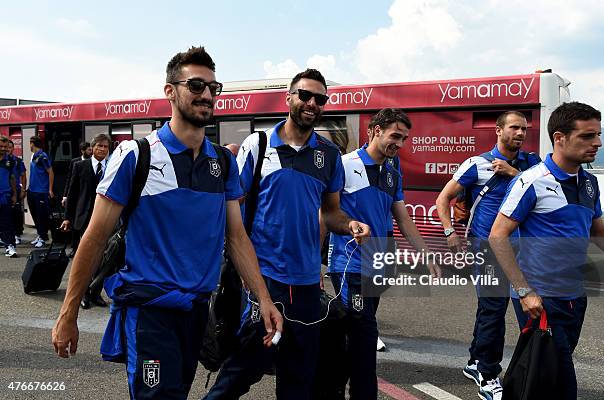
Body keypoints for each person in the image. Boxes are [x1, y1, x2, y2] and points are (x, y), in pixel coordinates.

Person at [52, 46, 282, 400]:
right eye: (195, 85)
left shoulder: (222, 162)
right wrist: (69, 313)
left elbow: (236, 239)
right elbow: (95, 238)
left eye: (213, 87)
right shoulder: (137, 155)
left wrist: (263, 299)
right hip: (150, 316)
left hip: (195, 315)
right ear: (170, 91)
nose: (206, 94)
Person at [204, 69, 370, 400]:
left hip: (307, 285)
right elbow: (231, 205)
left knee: (299, 379)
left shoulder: (329, 155)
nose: (312, 103)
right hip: (264, 279)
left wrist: (350, 224)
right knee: (242, 371)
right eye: (305, 95)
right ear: (289, 98)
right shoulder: (259, 143)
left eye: (320, 99)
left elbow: (331, 211)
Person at [489, 102, 604, 400]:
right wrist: (524, 291)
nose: (597, 142)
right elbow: (497, 236)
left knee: (544, 379)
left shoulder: (590, 183)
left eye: (597, 135)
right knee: (561, 383)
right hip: (541, 300)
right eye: (587, 136)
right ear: (560, 138)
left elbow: (599, 233)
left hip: (575, 297)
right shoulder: (531, 180)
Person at [326, 108, 442, 399]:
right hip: (349, 265)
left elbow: (402, 218)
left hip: (379, 266)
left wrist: (426, 254)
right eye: (395, 136)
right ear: (375, 131)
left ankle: (332, 388)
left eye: (404, 138)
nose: (400, 144)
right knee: (365, 337)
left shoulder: (393, 170)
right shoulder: (344, 164)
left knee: (353, 337)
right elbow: (327, 213)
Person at [435, 111, 541, 400]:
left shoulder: (532, 164)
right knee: (493, 310)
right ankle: (488, 374)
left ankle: (476, 362)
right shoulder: (476, 164)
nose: (521, 133)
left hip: (523, 252)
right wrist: (449, 233)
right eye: (515, 128)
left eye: (524, 129)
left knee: (525, 313)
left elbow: (547, 192)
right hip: (488, 250)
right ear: (498, 130)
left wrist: (514, 174)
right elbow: (443, 198)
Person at [60, 134, 110, 309]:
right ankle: (81, 294)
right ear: (93, 147)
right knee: (86, 258)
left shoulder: (113, 166)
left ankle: (95, 293)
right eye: (100, 146)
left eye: (106, 147)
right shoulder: (80, 166)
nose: (103, 149)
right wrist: (67, 217)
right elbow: (72, 194)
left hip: (106, 218)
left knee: (104, 259)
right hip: (85, 218)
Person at [62, 141, 92, 257]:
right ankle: (74, 247)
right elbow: (70, 180)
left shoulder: (94, 163)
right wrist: (66, 196)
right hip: (77, 197)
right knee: (75, 224)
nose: (90, 151)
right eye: (88, 150)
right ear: (83, 151)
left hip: (86, 195)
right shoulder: (75, 162)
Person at [27, 136, 54, 248]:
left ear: (32, 143)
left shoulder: (43, 157)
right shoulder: (34, 155)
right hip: (32, 190)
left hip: (41, 191)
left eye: (29, 143)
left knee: (41, 215)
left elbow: (51, 172)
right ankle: (40, 234)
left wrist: (50, 189)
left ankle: (43, 238)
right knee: (34, 214)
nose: (29, 145)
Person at [0, 136, 17, 257]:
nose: (4, 149)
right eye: (1, 146)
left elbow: (12, 178)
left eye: (5, 147)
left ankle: (10, 246)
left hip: (4, 195)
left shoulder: (10, 161)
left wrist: (15, 194)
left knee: (7, 221)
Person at [7, 140, 26, 245]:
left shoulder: (18, 161)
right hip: (4, 191)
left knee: (16, 214)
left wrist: (23, 189)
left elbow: (23, 175)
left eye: (10, 147)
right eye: (6, 147)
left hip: (16, 191)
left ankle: (17, 235)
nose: (8, 149)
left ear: (13, 148)